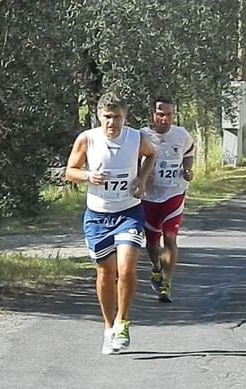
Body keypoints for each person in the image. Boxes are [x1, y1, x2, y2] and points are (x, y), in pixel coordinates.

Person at [65, 92, 156, 355]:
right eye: (107, 117)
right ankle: (108, 328)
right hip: (97, 216)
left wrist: (141, 179)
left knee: (126, 269)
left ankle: (123, 321)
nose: (112, 123)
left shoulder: (136, 138)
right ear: (98, 116)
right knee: (105, 273)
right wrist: (87, 176)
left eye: (117, 117)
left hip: (129, 212)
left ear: (125, 117)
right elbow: (70, 171)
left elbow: (151, 156)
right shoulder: (87, 139)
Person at [141, 97, 195, 302]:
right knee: (152, 242)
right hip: (149, 196)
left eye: (169, 114)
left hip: (174, 193)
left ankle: (166, 284)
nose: (165, 119)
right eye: (161, 114)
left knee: (170, 237)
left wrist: (188, 170)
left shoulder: (181, 135)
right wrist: (143, 173)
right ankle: (156, 267)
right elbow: (132, 162)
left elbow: (189, 152)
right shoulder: (142, 136)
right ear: (153, 115)